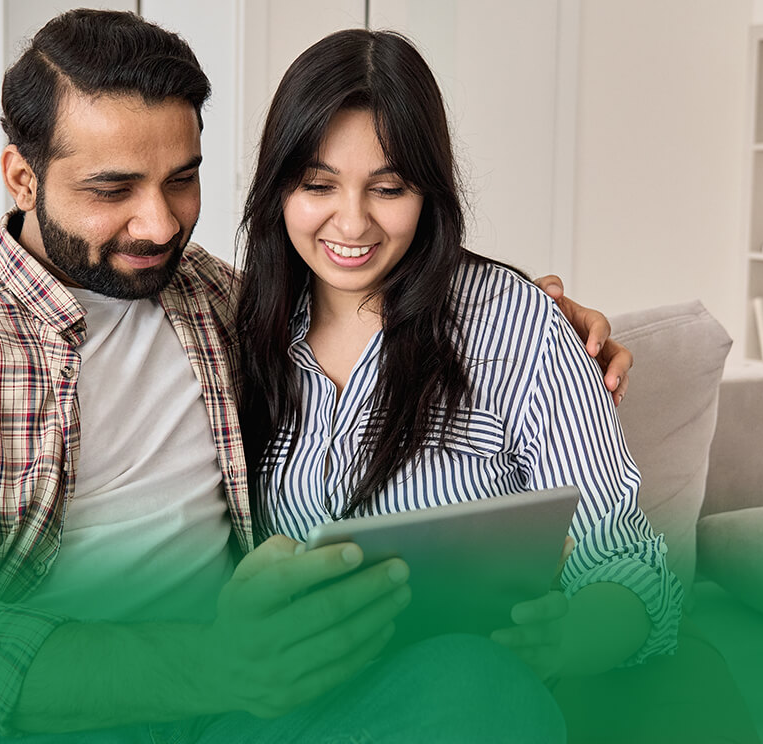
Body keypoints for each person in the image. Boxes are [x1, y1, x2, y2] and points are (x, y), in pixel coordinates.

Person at [0, 9, 627, 744]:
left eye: (181, 179)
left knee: (476, 689)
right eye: (113, 190)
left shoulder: (219, 299)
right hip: (48, 712)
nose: (159, 223)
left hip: (235, 709)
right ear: (23, 178)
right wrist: (216, 661)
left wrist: (541, 310)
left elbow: (374, 288)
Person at [235, 27, 682, 701]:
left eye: (387, 189)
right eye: (318, 185)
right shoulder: (231, 328)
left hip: (464, 696)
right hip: (290, 705)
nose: (351, 224)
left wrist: (570, 639)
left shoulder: (516, 327)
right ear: (279, 190)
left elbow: (623, 560)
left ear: (429, 193)